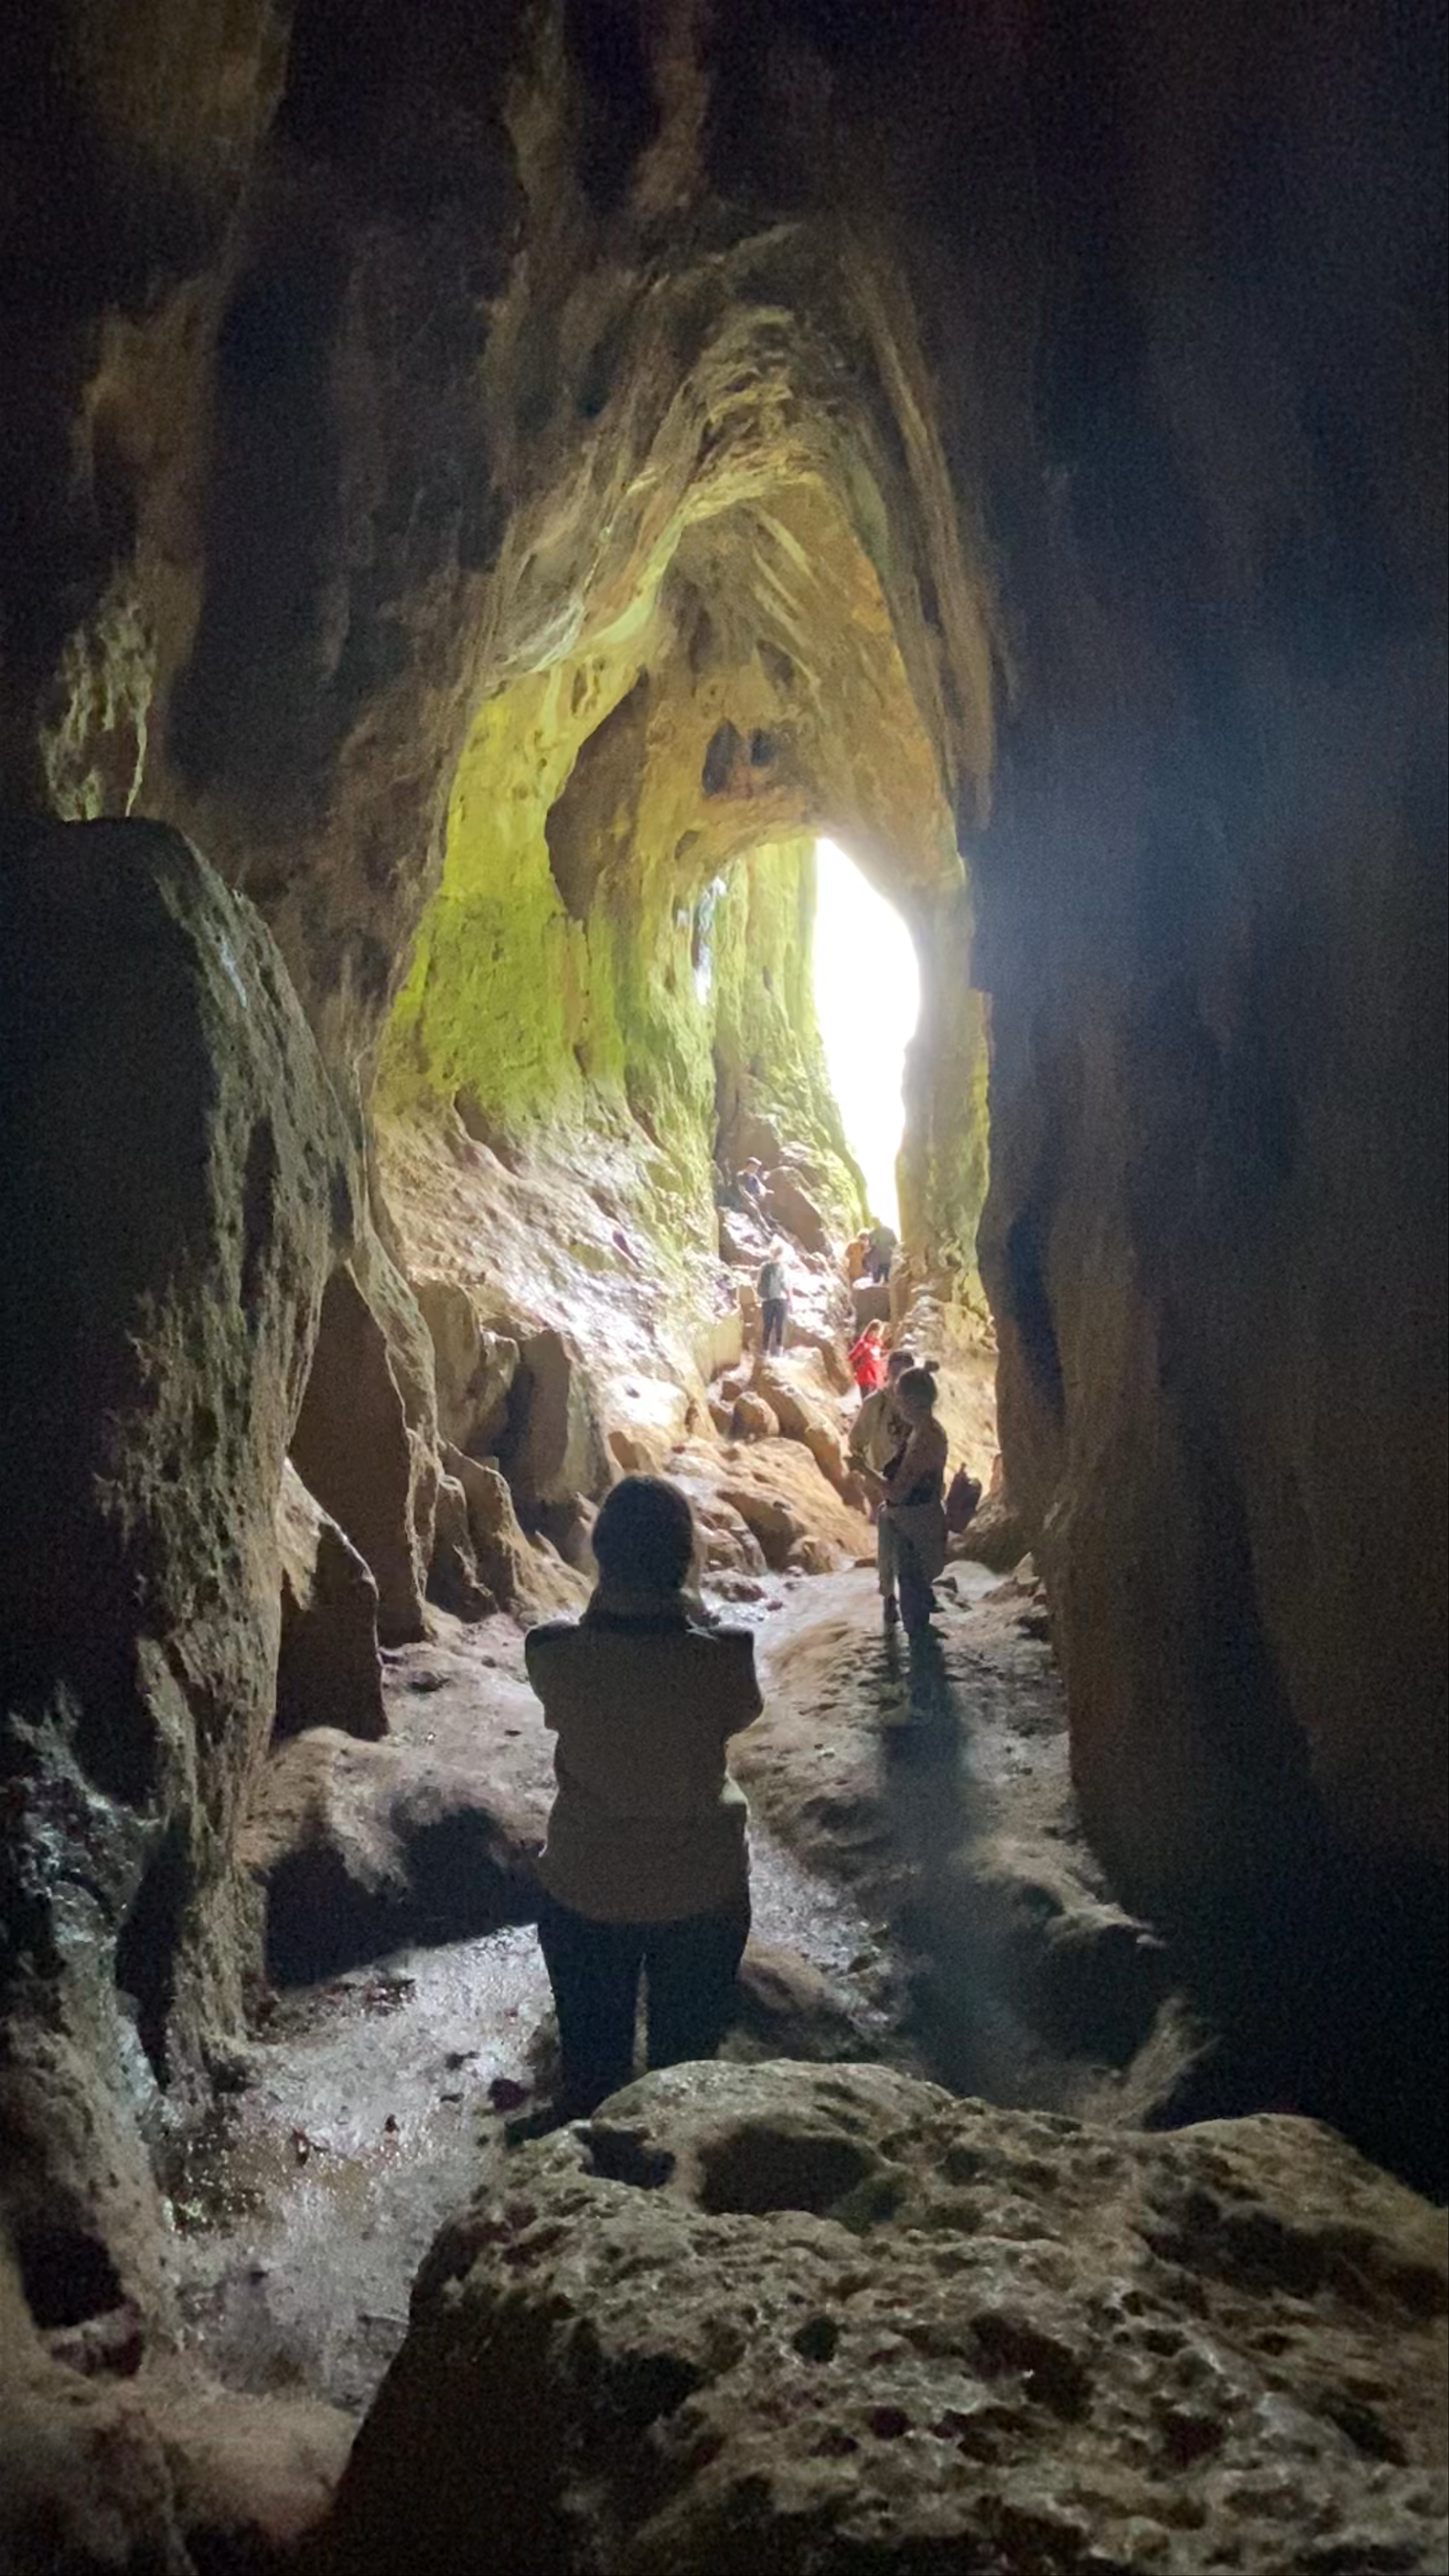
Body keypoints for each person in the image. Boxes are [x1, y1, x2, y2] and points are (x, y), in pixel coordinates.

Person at [524, 1476, 762, 2118]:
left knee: (593, 2076)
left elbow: (583, 1641)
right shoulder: (726, 1657)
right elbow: (738, 1705)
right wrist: (693, 1610)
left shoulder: (553, 1655)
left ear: (601, 1552)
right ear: (686, 1558)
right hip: (700, 1893)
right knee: (684, 2081)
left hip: (587, 1890)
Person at [864, 1364, 948, 1635]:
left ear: (913, 1400)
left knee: (915, 1615)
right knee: (914, 1600)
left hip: (915, 1526)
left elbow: (898, 1492)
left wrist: (863, 1471)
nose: (897, 1403)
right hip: (912, 1522)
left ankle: (925, 1670)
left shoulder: (927, 1438)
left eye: (900, 1397)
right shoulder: (921, 1431)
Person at [849, 1346, 914, 1621]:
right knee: (889, 1539)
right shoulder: (876, 1403)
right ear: (889, 1373)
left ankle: (913, 1595)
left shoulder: (918, 1402)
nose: (900, 1379)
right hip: (885, 1478)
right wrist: (868, 1473)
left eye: (905, 1373)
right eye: (896, 1372)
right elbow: (856, 1440)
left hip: (914, 1479)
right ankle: (890, 1596)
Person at [757, 1241, 789, 1354]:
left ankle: (766, 1351)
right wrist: (791, 1299)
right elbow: (786, 1285)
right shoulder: (784, 1267)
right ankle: (779, 1352)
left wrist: (760, 1298)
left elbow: (759, 1283)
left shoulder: (764, 1267)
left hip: (767, 1300)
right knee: (780, 1326)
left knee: (768, 1327)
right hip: (781, 1300)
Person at [849, 1319, 887, 1394]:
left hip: (877, 1379)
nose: (876, 1334)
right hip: (866, 1378)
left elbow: (878, 1360)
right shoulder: (863, 1344)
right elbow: (851, 1357)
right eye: (874, 1331)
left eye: (878, 1332)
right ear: (870, 1331)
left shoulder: (877, 1345)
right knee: (867, 1402)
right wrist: (861, 1361)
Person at [865, 1220, 898, 1285]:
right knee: (878, 1281)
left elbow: (895, 1243)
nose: (875, 1225)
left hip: (884, 1260)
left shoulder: (889, 1232)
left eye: (876, 1223)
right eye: (874, 1224)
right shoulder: (872, 1234)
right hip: (879, 1261)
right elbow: (870, 1246)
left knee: (886, 1280)